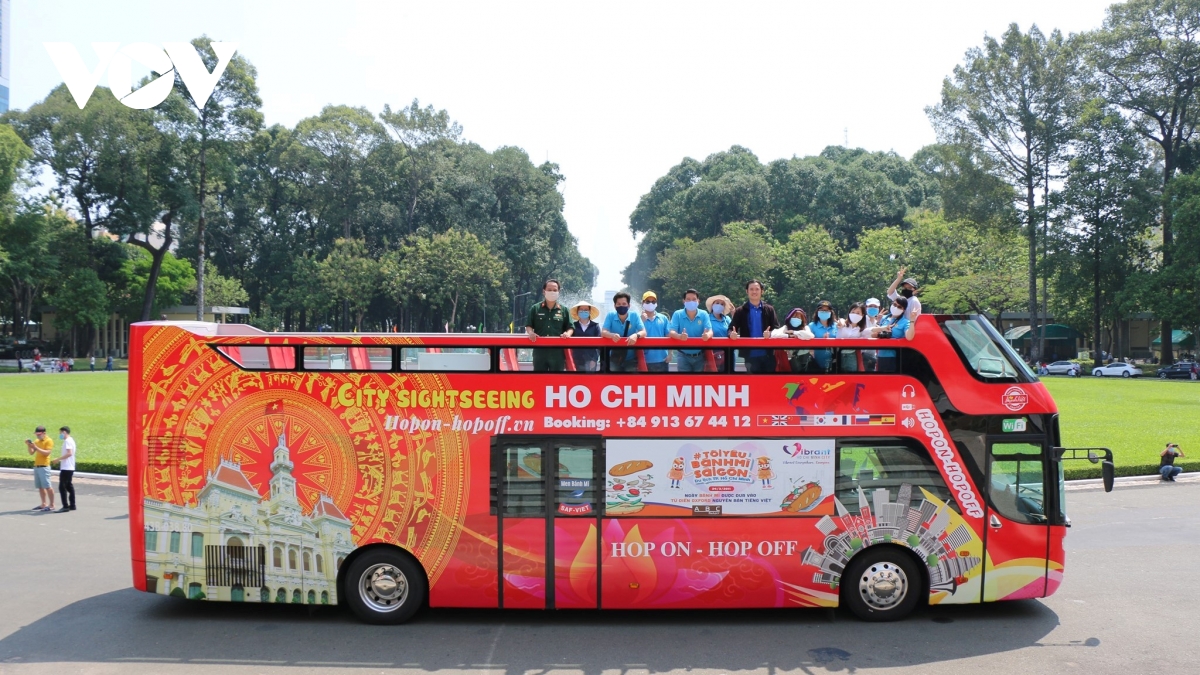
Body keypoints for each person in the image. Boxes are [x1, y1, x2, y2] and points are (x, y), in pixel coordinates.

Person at [729, 280, 779, 373]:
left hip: (768, 354)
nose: (754, 292)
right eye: (751, 289)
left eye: (757, 289)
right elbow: (731, 329)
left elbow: (776, 329)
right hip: (750, 356)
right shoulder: (740, 311)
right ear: (747, 291)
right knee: (753, 381)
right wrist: (732, 334)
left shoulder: (769, 309)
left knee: (770, 381)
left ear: (762, 291)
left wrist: (770, 334)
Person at [525, 279, 574, 372]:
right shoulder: (535, 308)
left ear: (559, 292)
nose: (552, 292)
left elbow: (570, 327)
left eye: (555, 290)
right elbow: (529, 325)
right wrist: (531, 333)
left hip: (557, 352)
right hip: (539, 351)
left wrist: (567, 334)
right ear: (544, 291)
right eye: (549, 290)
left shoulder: (564, 310)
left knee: (557, 378)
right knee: (539, 378)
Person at [867, 296, 918, 371]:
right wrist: (878, 322)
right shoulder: (883, 318)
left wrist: (912, 320)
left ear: (904, 310)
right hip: (880, 355)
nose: (896, 307)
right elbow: (873, 333)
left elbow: (909, 337)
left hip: (894, 357)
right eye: (894, 304)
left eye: (899, 307)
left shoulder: (905, 322)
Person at [669, 288, 713, 373]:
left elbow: (710, 331)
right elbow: (671, 332)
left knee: (699, 381)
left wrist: (707, 335)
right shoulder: (677, 314)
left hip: (700, 355)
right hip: (683, 355)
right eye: (688, 299)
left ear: (698, 301)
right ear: (684, 301)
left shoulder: (704, 314)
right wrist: (679, 336)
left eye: (694, 299)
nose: (691, 301)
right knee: (684, 380)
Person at [601, 292, 646, 373]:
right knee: (613, 379)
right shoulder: (610, 315)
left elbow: (643, 332)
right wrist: (611, 335)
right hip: (614, 357)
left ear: (629, 305)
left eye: (624, 304)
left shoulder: (634, 315)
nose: (621, 306)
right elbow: (603, 332)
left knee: (631, 380)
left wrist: (636, 335)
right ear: (615, 306)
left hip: (631, 358)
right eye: (618, 304)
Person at [770, 308, 815, 372]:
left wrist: (794, 332)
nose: (796, 319)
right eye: (794, 317)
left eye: (799, 317)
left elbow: (810, 336)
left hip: (804, 359)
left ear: (802, 319)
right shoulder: (785, 327)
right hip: (789, 360)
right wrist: (788, 336)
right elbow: (774, 334)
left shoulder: (805, 328)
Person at [25, 426, 56, 512]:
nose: (37, 436)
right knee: (40, 487)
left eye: (39, 434)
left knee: (47, 486)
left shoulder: (49, 441)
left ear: (44, 433)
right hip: (37, 466)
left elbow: (47, 453)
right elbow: (31, 452)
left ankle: (52, 505)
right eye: (36, 434)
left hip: (44, 466)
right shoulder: (37, 441)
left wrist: (36, 447)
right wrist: (29, 445)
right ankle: (43, 504)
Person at [639, 291, 671, 372]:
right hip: (644, 360)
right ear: (643, 303)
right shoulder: (638, 319)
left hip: (662, 359)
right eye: (648, 301)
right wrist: (641, 321)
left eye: (653, 302)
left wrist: (670, 354)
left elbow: (669, 337)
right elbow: (634, 336)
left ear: (656, 303)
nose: (650, 304)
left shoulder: (663, 318)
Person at [569, 300, 601, 372]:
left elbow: (599, 345)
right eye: (581, 309)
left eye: (586, 310)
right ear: (577, 312)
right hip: (576, 358)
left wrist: (594, 359)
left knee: (590, 378)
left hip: (590, 359)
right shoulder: (573, 326)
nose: (583, 311)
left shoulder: (595, 326)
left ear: (590, 312)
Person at [838, 302, 869, 372]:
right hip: (838, 355)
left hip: (851, 355)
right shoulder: (842, 324)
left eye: (858, 313)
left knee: (851, 376)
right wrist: (842, 322)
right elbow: (840, 321)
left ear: (862, 315)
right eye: (853, 312)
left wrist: (883, 328)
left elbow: (870, 330)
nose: (855, 314)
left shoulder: (861, 329)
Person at [52, 426, 77, 512]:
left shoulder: (67, 441)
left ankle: (65, 506)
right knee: (69, 486)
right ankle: (72, 505)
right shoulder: (71, 440)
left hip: (66, 467)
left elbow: (69, 453)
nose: (60, 435)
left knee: (62, 487)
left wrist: (58, 459)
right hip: (70, 467)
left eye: (60, 433)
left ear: (64, 432)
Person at [809, 300, 838, 371]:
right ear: (817, 311)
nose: (824, 312)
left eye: (826, 310)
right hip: (817, 363)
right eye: (821, 310)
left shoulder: (836, 326)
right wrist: (821, 340)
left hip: (834, 363)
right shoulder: (812, 326)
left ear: (831, 312)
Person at [706, 294, 733, 372]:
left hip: (727, 352)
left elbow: (733, 329)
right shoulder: (707, 318)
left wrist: (733, 314)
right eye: (717, 303)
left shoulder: (727, 319)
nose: (719, 305)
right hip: (712, 352)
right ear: (712, 305)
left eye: (722, 304)